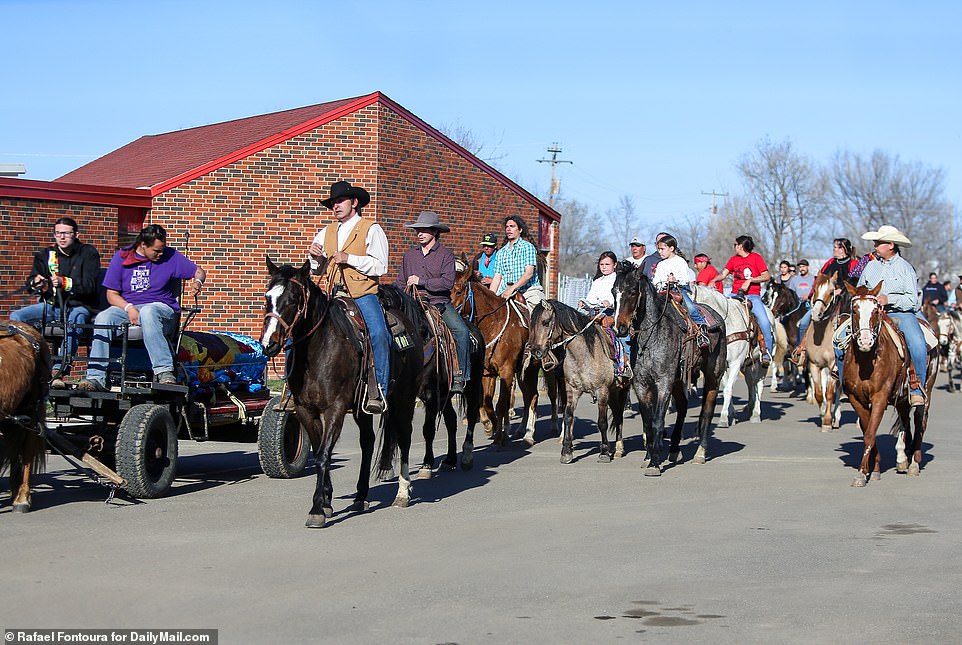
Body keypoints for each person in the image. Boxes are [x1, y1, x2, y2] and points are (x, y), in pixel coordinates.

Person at [77, 224, 204, 391]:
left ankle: (164, 371)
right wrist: (129, 308)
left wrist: (197, 281)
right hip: (128, 306)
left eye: (162, 250)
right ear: (143, 245)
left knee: (148, 311)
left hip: (161, 309)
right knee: (103, 317)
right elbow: (111, 295)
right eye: (156, 251)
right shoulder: (121, 258)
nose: (160, 254)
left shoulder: (170, 256)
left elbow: (198, 271)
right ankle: (96, 377)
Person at [309, 180, 390, 414]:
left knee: (378, 333)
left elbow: (380, 266)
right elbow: (317, 270)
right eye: (333, 202)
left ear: (354, 202)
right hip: (333, 294)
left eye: (340, 201)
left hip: (362, 294)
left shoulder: (371, 228)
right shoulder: (327, 231)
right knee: (301, 327)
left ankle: (379, 389)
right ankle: (294, 389)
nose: (335, 206)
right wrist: (315, 257)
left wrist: (349, 258)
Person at [10, 217, 101, 387]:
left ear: (76, 234)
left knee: (75, 320)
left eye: (66, 233)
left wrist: (64, 282)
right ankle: (28, 363)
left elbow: (90, 286)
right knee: (16, 316)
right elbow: (31, 284)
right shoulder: (46, 255)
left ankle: (59, 370)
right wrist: (35, 282)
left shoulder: (88, 253)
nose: (62, 237)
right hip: (51, 306)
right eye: (58, 233)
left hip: (79, 305)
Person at [396, 211, 470, 394]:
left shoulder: (446, 255)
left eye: (424, 230)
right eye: (417, 230)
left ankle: (460, 375)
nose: (419, 233)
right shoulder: (409, 255)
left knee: (462, 331)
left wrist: (421, 281)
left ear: (435, 232)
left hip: (438, 302)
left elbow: (446, 283)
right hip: (412, 302)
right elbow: (400, 281)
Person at [857, 225, 929, 407]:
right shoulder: (870, 267)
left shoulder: (905, 269)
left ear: (890, 245)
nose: (875, 246)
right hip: (870, 314)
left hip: (899, 313)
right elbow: (860, 290)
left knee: (918, 344)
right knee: (839, 338)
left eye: (878, 243)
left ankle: (916, 387)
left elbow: (913, 301)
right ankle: (845, 382)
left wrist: (889, 299)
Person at [709, 234, 773, 365]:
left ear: (741, 246)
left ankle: (766, 352)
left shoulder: (756, 258)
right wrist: (714, 280)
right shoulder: (733, 260)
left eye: (735, 245)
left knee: (764, 322)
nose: (734, 247)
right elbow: (724, 274)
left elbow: (766, 276)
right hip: (735, 295)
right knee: (721, 316)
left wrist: (750, 280)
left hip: (752, 296)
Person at [578, 251, 631, 376]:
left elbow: (622, 298)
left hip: (614, 314)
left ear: (615, 265)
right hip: (597, 314)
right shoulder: (597, 281)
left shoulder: (619, 280)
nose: (604, 267)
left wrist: (610, 302)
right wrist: (584, 303)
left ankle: (625, 365)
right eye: (602, 264)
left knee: (621, 337)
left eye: (607, 264)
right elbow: (591, 299)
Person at [652, 235, 709, 348]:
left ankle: (702, 332)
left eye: (662, 249)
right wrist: (659, 284)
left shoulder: (680, 261)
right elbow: (656, 280)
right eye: (658, 249)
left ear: (671, 248)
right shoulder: (660, 264)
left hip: (678, 290)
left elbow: (685, 279)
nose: (660, 252)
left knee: (691, 308)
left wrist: (675, 280)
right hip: (663, 292)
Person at [489, 214, 545, 309]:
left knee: (538, 317)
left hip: (529, 292)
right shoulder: (501, 252)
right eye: (507, 227)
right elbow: (497, 278)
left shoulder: (527, 247)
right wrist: (490, 296)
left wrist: (512, 288)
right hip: (505, 292)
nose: (508, 229)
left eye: (512, 226)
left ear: (520, 230)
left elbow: (529, 273)